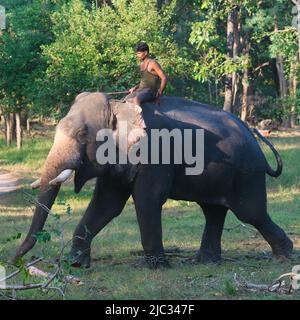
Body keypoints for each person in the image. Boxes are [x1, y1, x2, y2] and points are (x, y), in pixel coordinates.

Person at [125, 42, 168, 106]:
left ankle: (139, 116)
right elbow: (145, 81)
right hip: (141, 91)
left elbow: (164, 78)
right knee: (126, 99)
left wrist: (159, 93)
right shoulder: (141, 65)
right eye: (136, 54)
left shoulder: (153, 63)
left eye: (139, 53)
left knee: (136, 99)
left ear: (145, 53)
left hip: (150, 92)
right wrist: (135, 87)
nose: (137, 55)